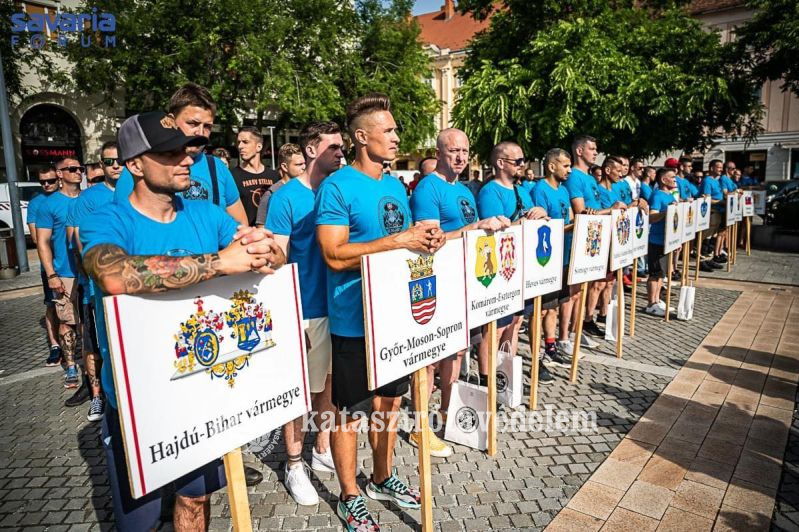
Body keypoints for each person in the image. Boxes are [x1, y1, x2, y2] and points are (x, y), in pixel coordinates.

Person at [80, 111, 285, 531]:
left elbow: (269, 255)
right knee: (140, 523)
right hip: (138, 402)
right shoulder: (106, 218)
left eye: (187, 151)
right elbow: (115, 274)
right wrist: (219, 262)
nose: (185, 160)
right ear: (135, 164)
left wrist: (265, 249)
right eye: (169, 153)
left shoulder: (205, 215)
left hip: (200, 394)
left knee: (194, 503)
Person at [315, 93, 445, 531]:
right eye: (387, 131)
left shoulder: (393, 184)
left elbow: (401, 240)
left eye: (394, 130)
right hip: (354, 318)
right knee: (351, 411)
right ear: (361, 136)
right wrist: (399, 241)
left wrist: (426, 239)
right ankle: (350, 495)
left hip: (396, 319)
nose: (396, 137)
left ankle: (382, 476)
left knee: (390, 402)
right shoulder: (337, 186)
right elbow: (333, 254)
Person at [409, 128, 509, 455]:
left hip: (467, 283)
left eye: (465, 151)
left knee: (457, 351)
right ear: (438, 153)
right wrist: (476, 227)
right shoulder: (428, 189)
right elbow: (427, 241)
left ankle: (447, 413)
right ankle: (420, 427)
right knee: (430, 358)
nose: (461, 157)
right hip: (437, 285)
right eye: (454, 151)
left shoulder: (465, 191)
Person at [265, 121, 345, 505]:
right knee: (297, 393)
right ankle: (294, 463)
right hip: (303, 308)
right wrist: (286, 315)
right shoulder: (286, 198)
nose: (341, 152)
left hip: (337, 305)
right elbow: (277, 259)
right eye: (334, 147)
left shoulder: (339, 188)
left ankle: (322, 448)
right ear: (312, 150)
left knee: (329, 385)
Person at [114, 82, 248, 226]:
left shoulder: (217, 167)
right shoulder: (143, 169)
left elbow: (241, 227)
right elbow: (124, 226)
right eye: (192, 123)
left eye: (207, 126)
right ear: (171, 121)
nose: (200, 132)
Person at [477, 141, 547, 379]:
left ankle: (506, 374)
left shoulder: (522, 190)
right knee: (496, 328)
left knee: (516, 322)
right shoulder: (490, 192)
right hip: (500, 269)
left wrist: (541, 214)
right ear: (500, 163)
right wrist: (526, 222)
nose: (522, 165)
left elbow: (531, 217)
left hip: (521, 268)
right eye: (517, 161)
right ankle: (488, 378)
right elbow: (494, 232)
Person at [64, 141, 124, 416]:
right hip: (95, 288)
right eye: (109, 161)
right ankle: (97, 395)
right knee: (95, 345)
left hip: (129, 289)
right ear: (101, 165)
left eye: (119, 160)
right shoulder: (89, 199)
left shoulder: (135, 191)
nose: (115, 166)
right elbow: (76, 239)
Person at [565, 136, 624, 342]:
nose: (595, 152)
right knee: (574, 292)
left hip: (594, 238)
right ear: (579, 151)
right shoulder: (574, 177)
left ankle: (578, 329)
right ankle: (571, 333)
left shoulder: (590, 178)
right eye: (592, 148)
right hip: (579, 240)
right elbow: (581, 212)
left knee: (582, 291)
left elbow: (595, 209)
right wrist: (610, 210)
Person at [36, 156, 82, 388]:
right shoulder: (49, 204)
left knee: (87, 321)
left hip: (88, 271)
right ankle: (71, 366)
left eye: (80, 168)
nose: (78, 172)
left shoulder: (87, 198)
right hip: (64, 272)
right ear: (60, 174)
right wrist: (52, 275)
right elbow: (42, 242)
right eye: (71, 169)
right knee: (67, 321)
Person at [532, 148, 579, 377]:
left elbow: (567, 220)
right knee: (540, 311)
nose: (569, 170)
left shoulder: (563, 190)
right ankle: (536, 356)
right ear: (552, 167)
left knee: (553, 308)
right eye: (566, 165)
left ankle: (551, 347)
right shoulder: (541, 190)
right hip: (545, 258)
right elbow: (544, 225)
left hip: (564, 255)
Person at [27, 166, 63, 366]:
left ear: (58, 178)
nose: (47, 185)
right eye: (42, 182)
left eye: (50, 181)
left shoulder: (68, 197)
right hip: (50, 267)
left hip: (70, 265)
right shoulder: (36, 204)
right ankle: (55, 345)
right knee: (52, 306)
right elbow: (36, 237)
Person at [645, 168, 679, 317]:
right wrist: (666, 213)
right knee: (655, 273)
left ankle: (657, 300)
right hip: (656, 240)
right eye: (672, 177)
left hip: (667, 241)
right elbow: (651, 217)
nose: (675, 180)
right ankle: (651, 304)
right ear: (664, 180)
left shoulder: (669, 195)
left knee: (661, 274)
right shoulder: (657, 195)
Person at [232, 126, 277, 225]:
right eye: (238, 142)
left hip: (271, 235)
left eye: (245, 142)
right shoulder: (232, 176)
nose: (240, 146)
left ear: (259, 147)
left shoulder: (275, 176)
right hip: (245, 236)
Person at [255, 143, 306, 225]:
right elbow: (261, 227)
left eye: (304, 163)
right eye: (299, 164)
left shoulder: (307, 188)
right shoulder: (270, 194)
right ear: (285, 167)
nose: (304, 167)